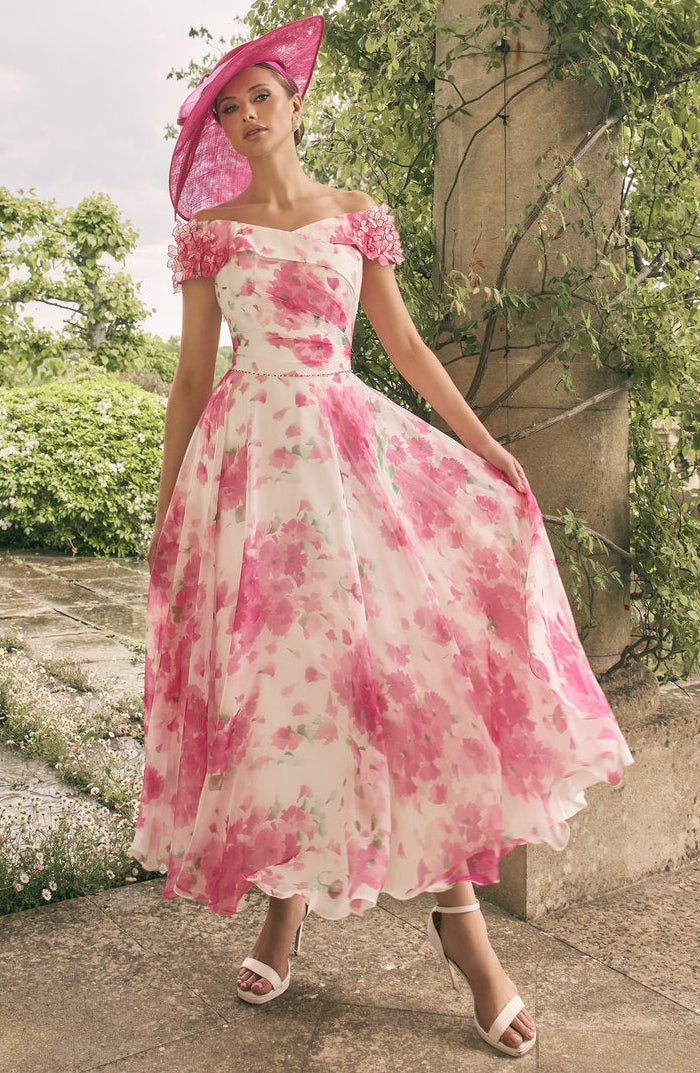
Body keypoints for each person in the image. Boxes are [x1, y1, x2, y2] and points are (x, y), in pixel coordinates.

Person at [129, 14, 633, 1059]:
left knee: (396, 682)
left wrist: (486, 443)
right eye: (228, 106)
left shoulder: (356, 216)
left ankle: (467, 939)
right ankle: (284, 905)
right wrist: (170, 505)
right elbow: (188, 382)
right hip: (250, 482)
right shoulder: (210, 234)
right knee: (278, 698)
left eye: (261, 95)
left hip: (352, 461)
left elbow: (400, 343)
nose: (247, 114)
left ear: (296, 103)